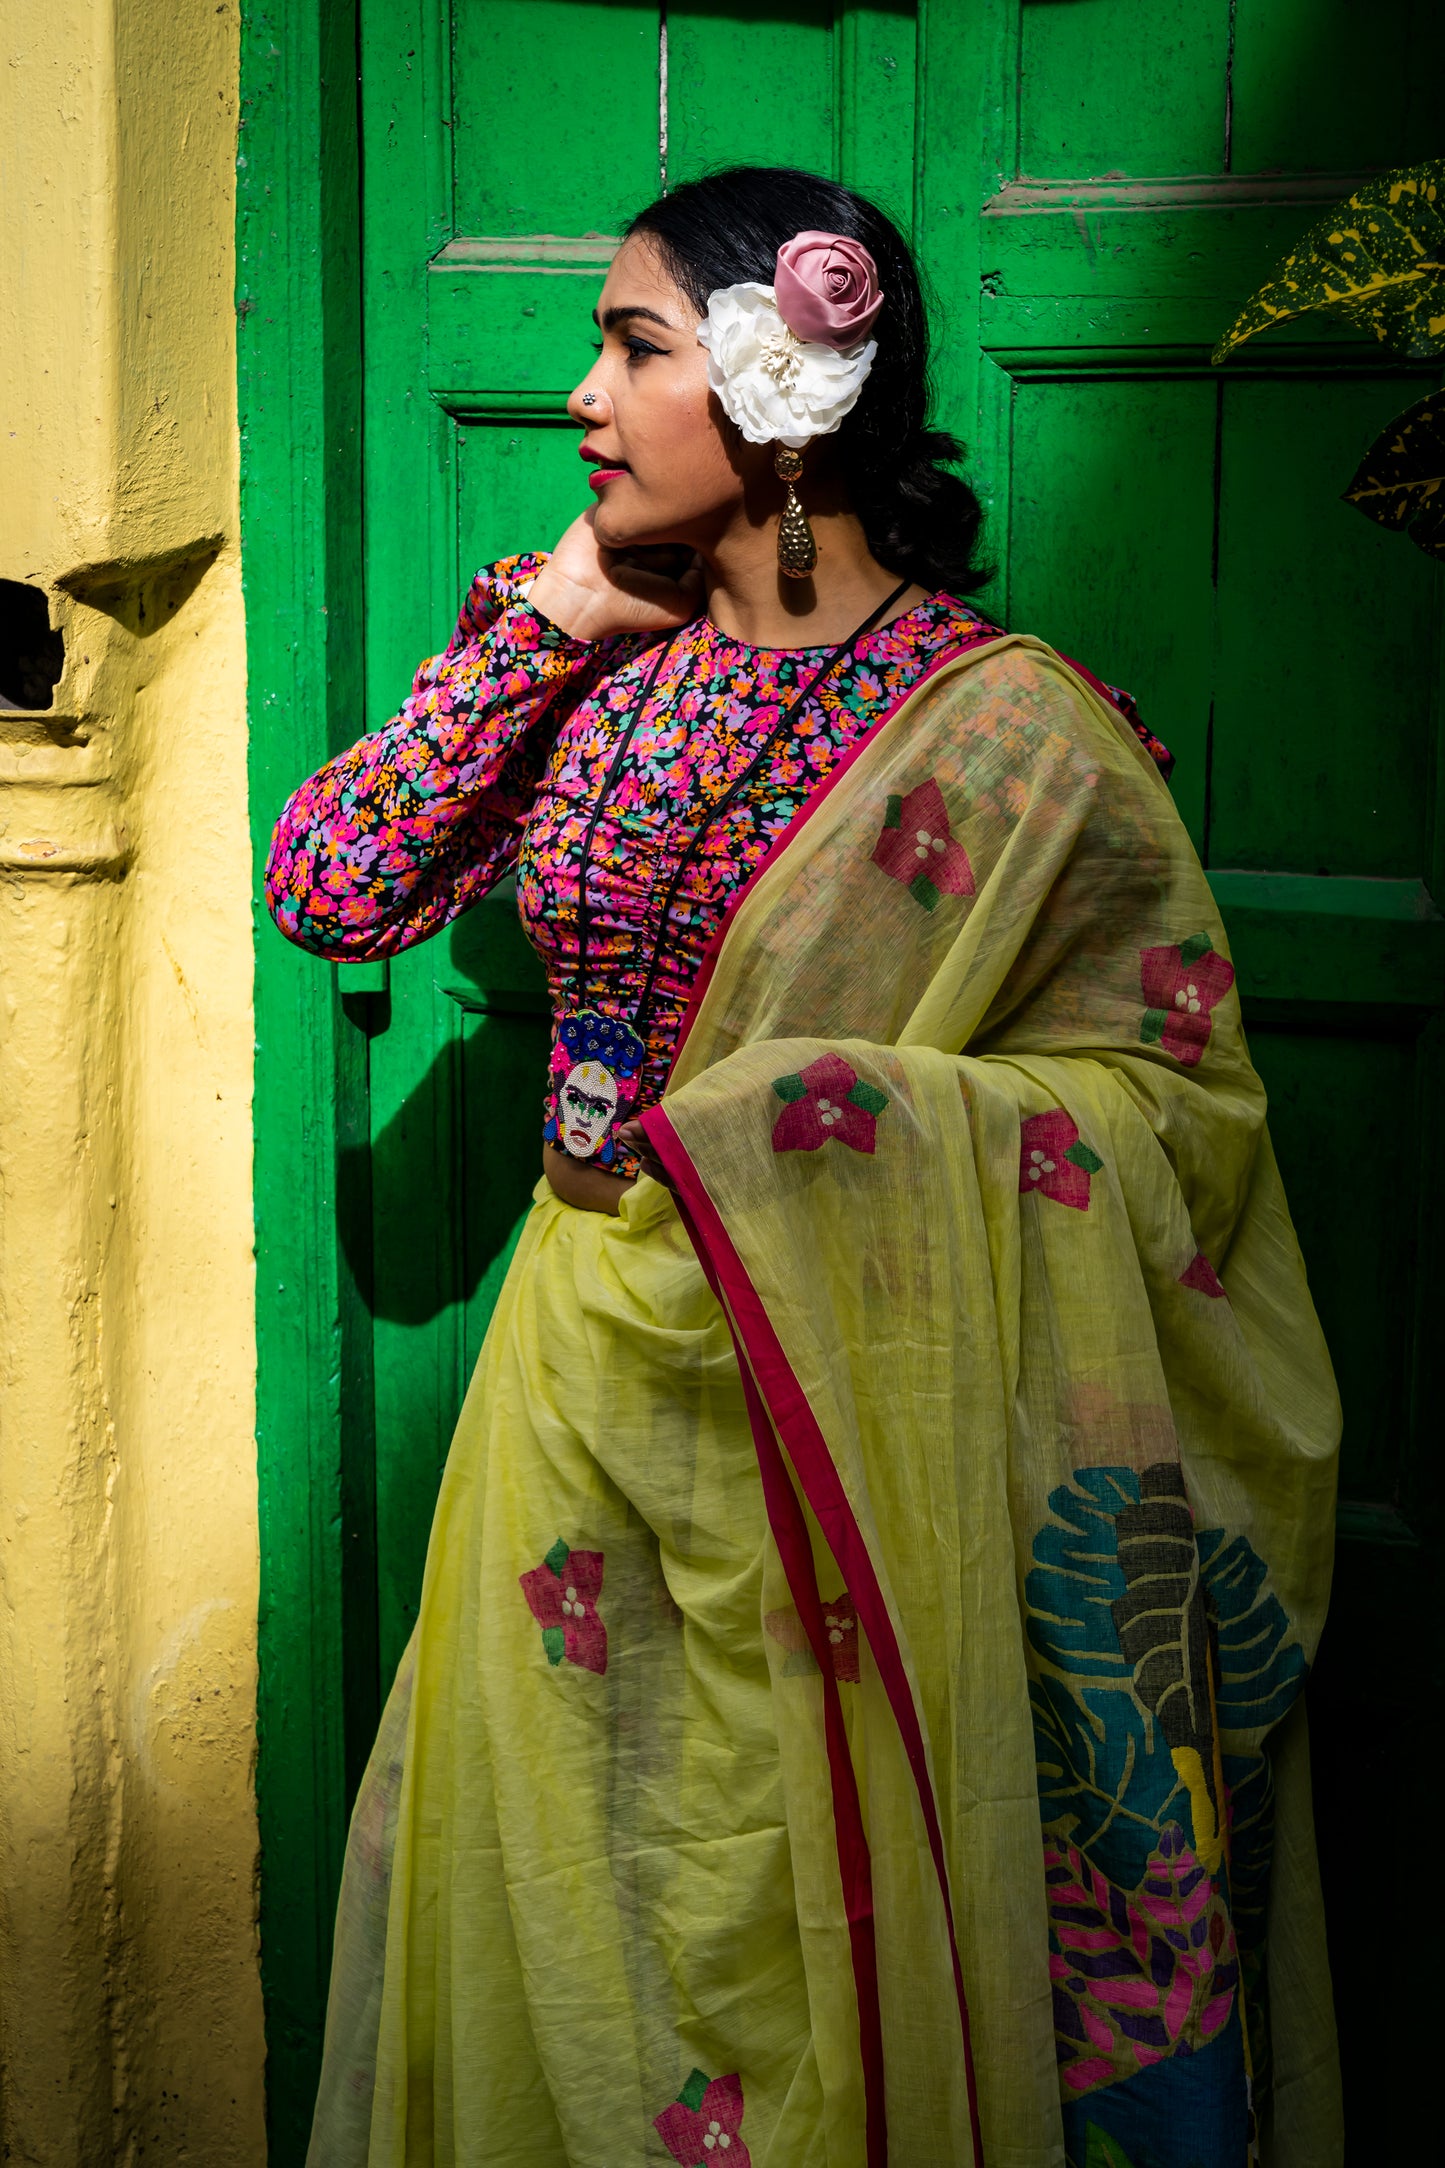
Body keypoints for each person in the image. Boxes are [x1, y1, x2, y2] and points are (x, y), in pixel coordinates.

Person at [267, 166, 1341, 2168]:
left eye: (635, 346)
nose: (581, 392)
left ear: (785, 391)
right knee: (582, 1913)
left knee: (809, 1934)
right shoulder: (588, 666)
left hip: (848, 1427)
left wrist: (835, 1127)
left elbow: (1171, 1107)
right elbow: (333, 888)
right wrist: (546, 620)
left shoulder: (1011, 731)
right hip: (581, 1388)